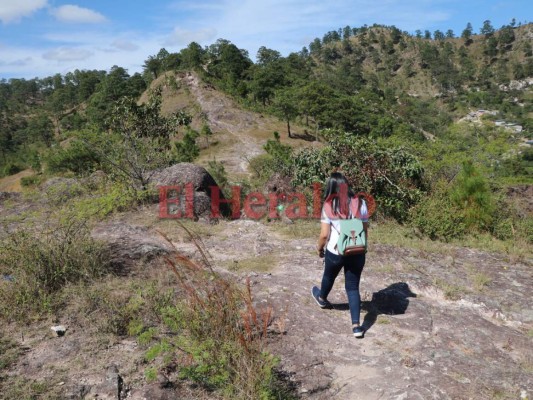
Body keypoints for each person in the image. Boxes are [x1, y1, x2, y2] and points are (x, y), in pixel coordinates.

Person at [312, 172, 369, 338]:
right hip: (357, 250)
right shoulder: (361, 203)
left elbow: (324, 235)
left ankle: (322, 298)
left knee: (329, 276)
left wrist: (319, 249)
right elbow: (364, 229)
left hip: (336, 251)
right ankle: (357, 327)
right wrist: (363, 247)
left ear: (331, 187)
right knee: (352, 286)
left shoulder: (329, 205)